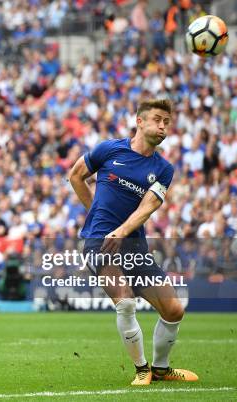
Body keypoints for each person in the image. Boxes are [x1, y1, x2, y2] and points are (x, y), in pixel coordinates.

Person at [68, 99, 198, 385]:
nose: (163, 126)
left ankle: (161, 370)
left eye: (167, 122)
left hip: (133, 245)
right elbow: (76, 176)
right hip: (99, 244)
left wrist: (122, 231)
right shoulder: (109, 149)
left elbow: (148, 206)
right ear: (140, 121)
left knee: (174, 310)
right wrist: (96, 215)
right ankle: (142, 368)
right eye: (157, 119)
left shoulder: (163, 168)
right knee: (125, 302)